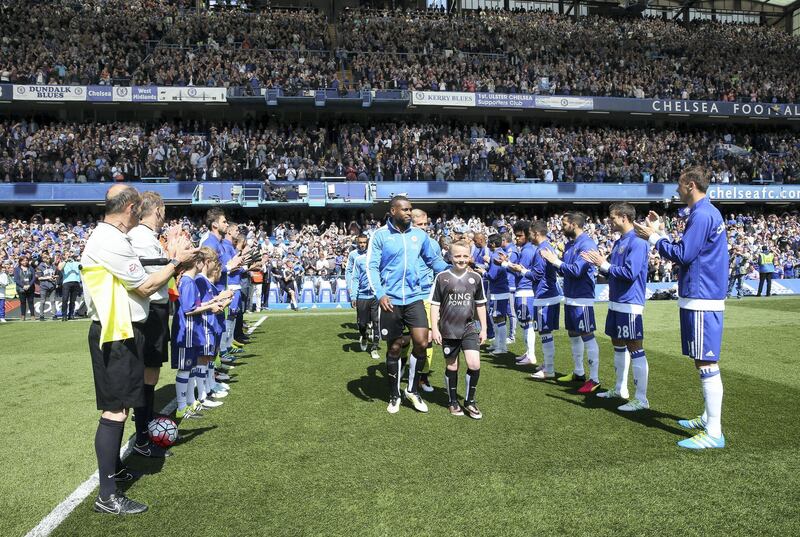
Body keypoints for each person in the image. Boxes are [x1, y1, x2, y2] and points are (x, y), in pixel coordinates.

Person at [81, 184, 195, 514]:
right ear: (131, 208)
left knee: (121, 408)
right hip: (115, 332)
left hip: (121, 330)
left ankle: (113, 475)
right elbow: (144, 286)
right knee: (115, 411)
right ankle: (108, 494)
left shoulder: (110, 238)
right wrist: (176, 263)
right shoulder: (110, 240)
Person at [634, 166, 729, 450]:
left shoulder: (701, 214)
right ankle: (708, 418)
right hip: (701, 293)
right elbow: (690, 249)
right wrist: (660, 232)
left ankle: (714, 431)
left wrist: (652, 237)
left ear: (690, 185)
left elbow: (684, 254)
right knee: (704, 360)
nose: (676, 189)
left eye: (679, 184)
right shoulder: (707, 212)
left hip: (702, 295)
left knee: (706, 361)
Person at [366, 195, 449, 414]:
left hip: (414, 298)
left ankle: (412, 390)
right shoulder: (380, 235)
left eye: (410, 209)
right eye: (404, 209)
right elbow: (372, 267)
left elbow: (434, 261)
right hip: (390, 300)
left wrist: (455, 268)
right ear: (392, 211)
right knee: (394, 347)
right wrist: (381, 294)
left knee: (422, 342)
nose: (408, 213)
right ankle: (394, 394)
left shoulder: (419, 235)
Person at [583, 203, 650, 411]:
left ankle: (641, 399)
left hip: (630, 303)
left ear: (623, 217)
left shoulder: (638, 241)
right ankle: (620, 388)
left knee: (634, 347)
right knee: (618, 344)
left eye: (612, 218)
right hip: (616, 301)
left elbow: (630, 273)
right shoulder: (620, 241)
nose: (609, 222)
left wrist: (604, 264)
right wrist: (602, 265)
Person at [128, 192, 178, 455]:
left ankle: (146, 419)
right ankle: (143, 434)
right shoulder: (140, 237)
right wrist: (176, 260)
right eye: (165, 208)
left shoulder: (148, 237)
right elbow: (149, 280)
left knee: (152, 370)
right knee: (146, 371)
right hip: (149, 310)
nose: (166, 214)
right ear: (157, 210)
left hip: (156, 309)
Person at [430, 241, 487, 419]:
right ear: (450, 257)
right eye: (457, 256)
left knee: (474, 364)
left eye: (464, 256)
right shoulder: (442, 277)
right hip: (448, 329)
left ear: (470, 257)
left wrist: (484, 328)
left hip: (469, 328)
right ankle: (453, 401)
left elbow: (480, 305)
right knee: (452, 365)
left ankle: (470, 401)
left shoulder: (476, 278)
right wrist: (434, 329)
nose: (461, 260)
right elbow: (434, 305)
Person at [540, 212, 599, 385]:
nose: (561, 227)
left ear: (574, 224)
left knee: (587, 334)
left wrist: (555, 261)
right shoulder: (569, 245)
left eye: (564, 224)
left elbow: (577, 270)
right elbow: (564, 270)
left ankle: (594, 379)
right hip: (570, 296)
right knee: (573, 334)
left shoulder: (587, 244)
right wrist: (555, 262)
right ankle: (578, 372)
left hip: (582, 297)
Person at [507, 221, 563, 383]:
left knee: (545, 332)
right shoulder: (546, 247)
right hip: (547, 293)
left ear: (536, 233)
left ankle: (549, 369)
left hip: (545, 295)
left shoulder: (541, 250)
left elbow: (537, 275)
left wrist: (522, 270)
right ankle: (547, 365)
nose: (528, 235)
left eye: (529, 233)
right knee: (544, 331)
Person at [500, 221, 537, 366]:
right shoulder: (525, 249)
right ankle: (529, 352)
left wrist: (505, 264)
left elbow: (522, 272)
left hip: (525, 291)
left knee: (527, 323)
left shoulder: (527, 251)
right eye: (516, 236)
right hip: (523, 290)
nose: (517, 239)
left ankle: (531, 355)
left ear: (527, 235)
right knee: (525, 323)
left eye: (520, 236)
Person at [412, 208, 441, 393]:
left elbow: (438, 270)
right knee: (406, 339)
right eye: (419, 225)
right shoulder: (404, 243)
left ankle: (423, 377)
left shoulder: (433, 245)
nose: (423, 228)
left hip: (427, 297)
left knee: (428, 338)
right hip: (407, 296)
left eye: (425, 224)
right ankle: (405, 373)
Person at [349, 243, 381, 360]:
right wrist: (353, 296)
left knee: (376, 322)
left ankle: (374, 348)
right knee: (362, 324)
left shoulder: (379, 259)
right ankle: (364, 335)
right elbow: (355, 278)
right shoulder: (359, 260)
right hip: (362, 296)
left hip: (375, 296)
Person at [483, 233, 511, 355]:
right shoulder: (501, 253)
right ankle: (497, 344)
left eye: (489, 242)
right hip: (501, 290)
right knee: (497, 317)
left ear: (493, 244)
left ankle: (502, 346)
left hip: (498, 291)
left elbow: (492, 276)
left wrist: (483, 272)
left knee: (498, 318)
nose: (488, 244)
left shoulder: (495, 255)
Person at [59, 251, 82, 321]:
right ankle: (64, 315)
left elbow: (82, 268)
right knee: (65, 299)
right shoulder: (63, 263)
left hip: (76, 282)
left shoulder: (77, 263)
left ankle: (71, 314)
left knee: (73, 300)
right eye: (67, 254)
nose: (69, 255)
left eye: (69, 254)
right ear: (64, 256)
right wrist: (66, 260)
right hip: (67, 282)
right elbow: (59, 268)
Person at [36, 252, 58, 320]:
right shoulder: (40, 267)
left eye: (49, 258)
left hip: (52, 285)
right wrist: (48, 277)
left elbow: (57, 275)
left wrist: (55, 277)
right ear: (43, 259)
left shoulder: (53, 266)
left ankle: (54, 315)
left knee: (53, 301)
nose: (49, 259)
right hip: (44, 286)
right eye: (47, 258)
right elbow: (39, 278)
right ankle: (41, 315)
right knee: (42, 301)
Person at [14, 255, 36, 321]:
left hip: (30, 288)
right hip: (21, 289)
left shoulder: (31, 268)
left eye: (26, 260)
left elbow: (34, 278)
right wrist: (23, 286)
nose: (25, 262)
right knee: (23, 302)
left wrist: (29, 285)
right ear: (20, 261)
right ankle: (23, 316)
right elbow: (16, 279)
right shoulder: (17, 269)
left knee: (31, 302)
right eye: (23, 260)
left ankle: (32, 315)